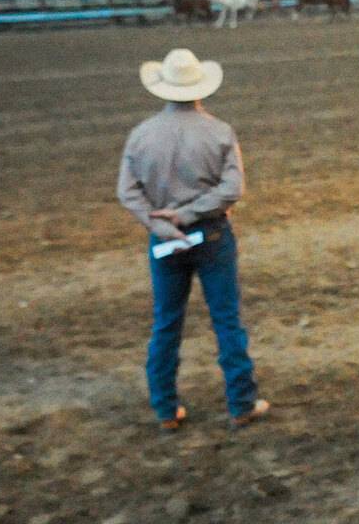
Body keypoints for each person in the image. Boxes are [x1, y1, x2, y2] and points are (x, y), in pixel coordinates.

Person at [116, 48, 269, 431]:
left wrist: (160, 224)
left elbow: (127, 192)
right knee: (226, 320)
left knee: (166, 322)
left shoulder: (141, 135)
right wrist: (189, 213)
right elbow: (233, 188)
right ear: (201, 88)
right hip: (211, 234)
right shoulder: (219, 132)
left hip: (165, 241)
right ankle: (241, 402)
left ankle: (166, 408)